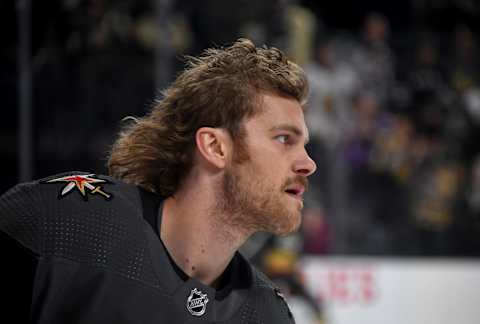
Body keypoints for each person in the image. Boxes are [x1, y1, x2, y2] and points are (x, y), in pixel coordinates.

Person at [0, 38, 316, 323]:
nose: (308, 164)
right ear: (216, 147)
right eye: (284, 139)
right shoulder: (62, 225)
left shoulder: (266, 316)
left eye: (305, 145)